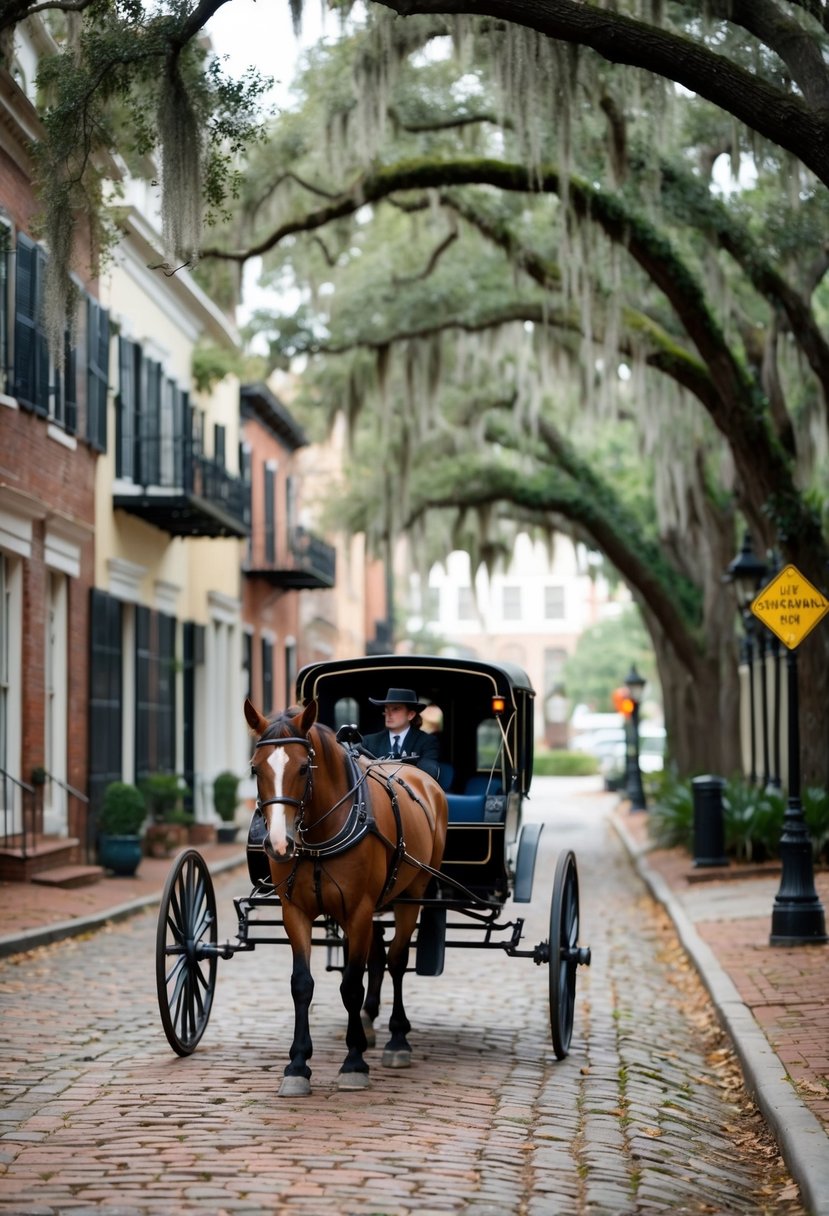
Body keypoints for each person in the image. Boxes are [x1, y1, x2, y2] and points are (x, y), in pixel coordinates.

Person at [361, 688, 441, 781]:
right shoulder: (368, 741)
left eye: (395, 709)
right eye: (386, 708)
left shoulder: (427, 741)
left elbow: (430, 771)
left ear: (410, 715)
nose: (388, 714)